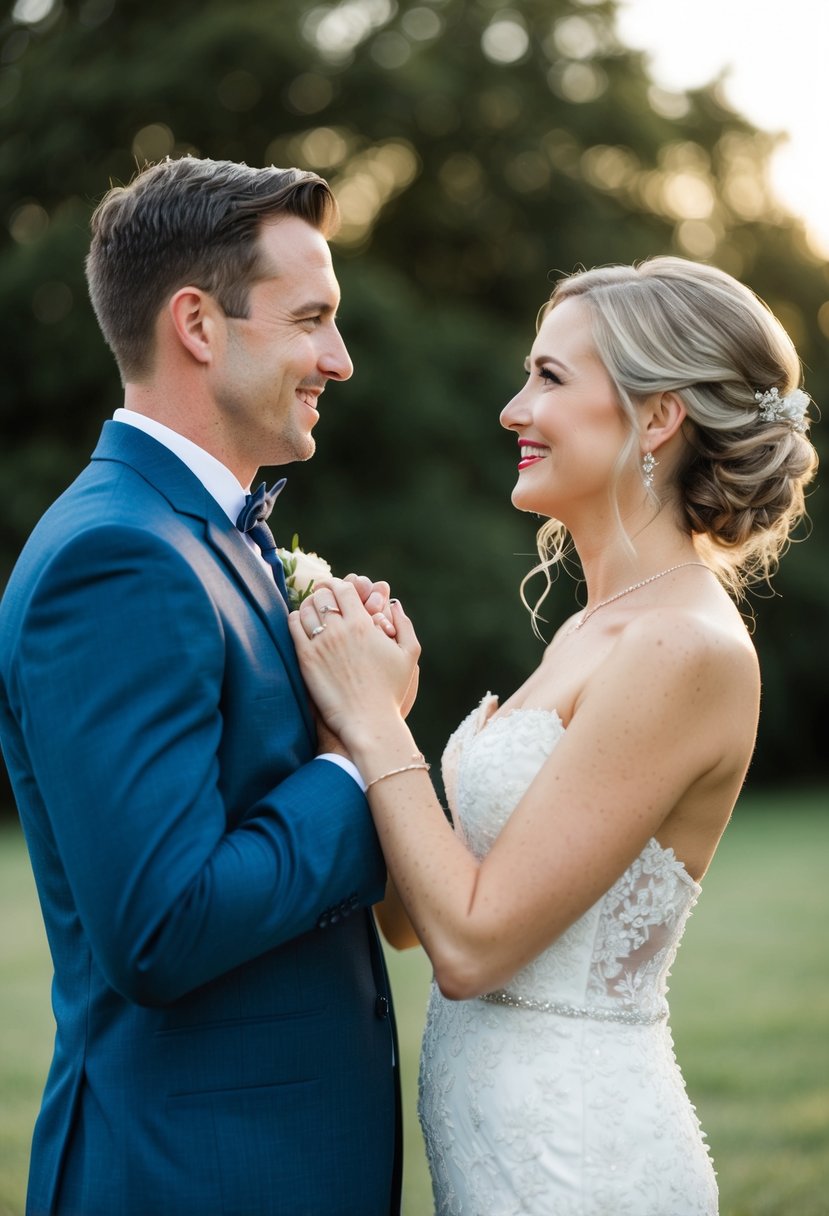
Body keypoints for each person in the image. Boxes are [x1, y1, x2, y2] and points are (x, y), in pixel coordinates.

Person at [288, 256, 818, 1215]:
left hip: (580, 1164)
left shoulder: (682, 646)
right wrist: (359, 717)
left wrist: (375, 727)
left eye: (550, 377)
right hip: (496, 1149)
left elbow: (473, 948)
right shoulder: (587, 630)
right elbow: (417, 919)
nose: (511, 408)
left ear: (657, 417)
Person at [0, 157, 405, 1216]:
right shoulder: (118, 561)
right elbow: (160, 925)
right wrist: (359, 754)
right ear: (197, 324)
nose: (342, 359)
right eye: (312, 318)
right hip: (194, 1174)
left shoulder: (203, 536)